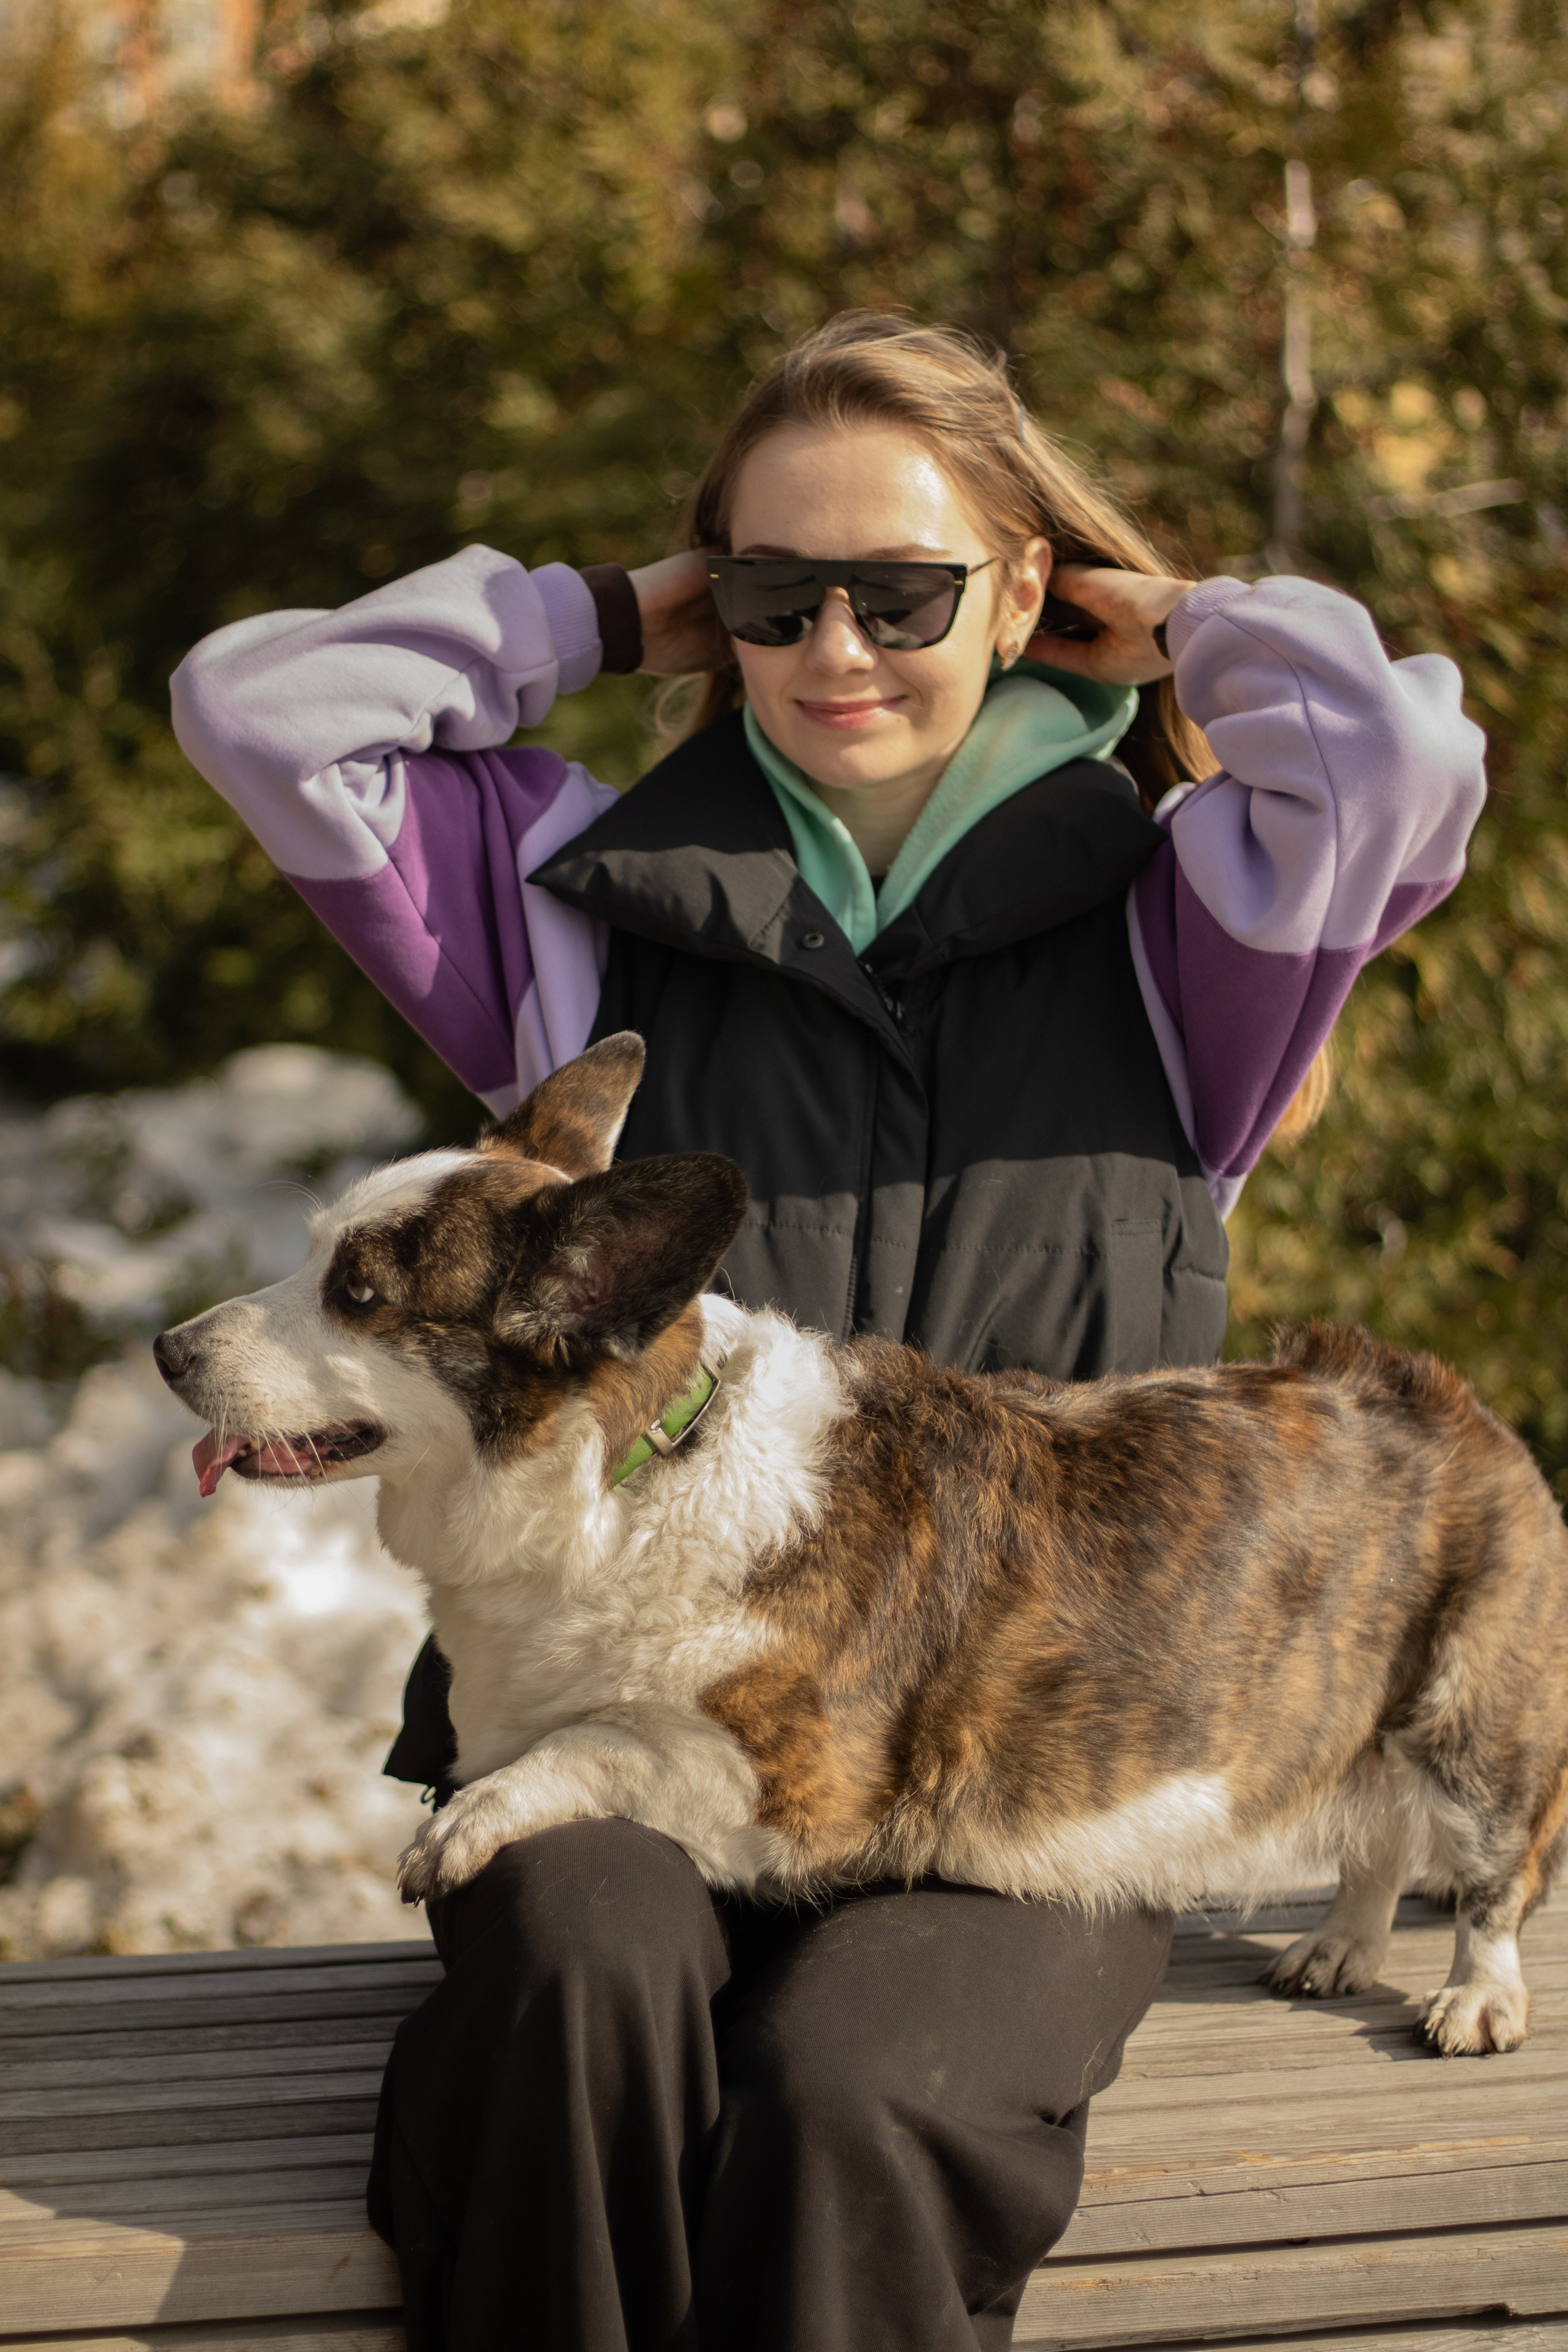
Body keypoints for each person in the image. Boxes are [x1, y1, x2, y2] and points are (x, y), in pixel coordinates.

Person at [170, 312, 1487, 2352]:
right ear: (722, 603)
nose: (838, 648)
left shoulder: (1190, 933)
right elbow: (260, 708)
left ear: (1027, 588)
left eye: (906, 589)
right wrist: (601, 616)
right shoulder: (570, 902)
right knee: (579, 1984)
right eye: (778, 593)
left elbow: (1400, 761)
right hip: (624, 1716)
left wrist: (1194, 624)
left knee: (860, 2086)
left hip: (1014, 1783)